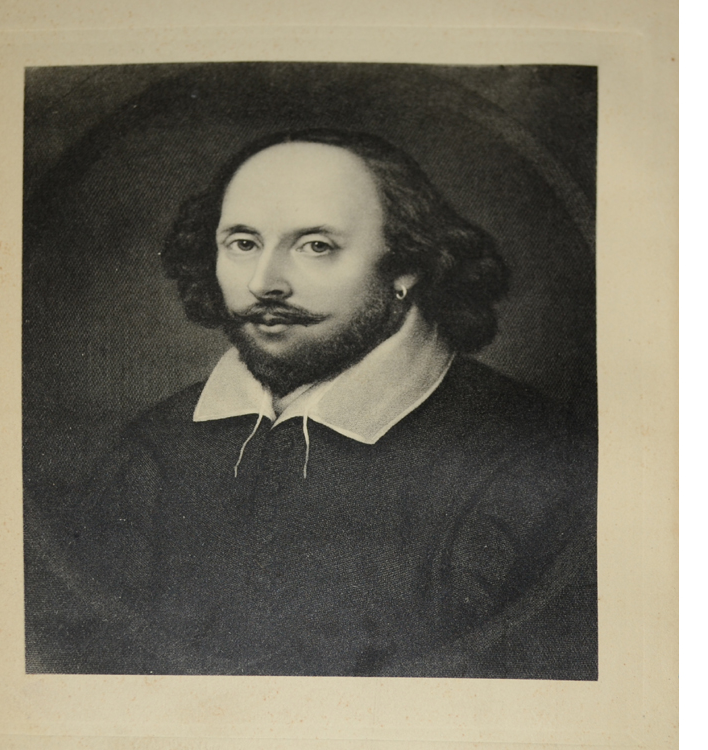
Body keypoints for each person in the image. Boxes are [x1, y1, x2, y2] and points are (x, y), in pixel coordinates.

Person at [31, 129, 597, 678]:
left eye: (316, 246)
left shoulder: (524, 455)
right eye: (243, 244)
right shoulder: (154, 446)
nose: (265, 283)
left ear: (407, 265)